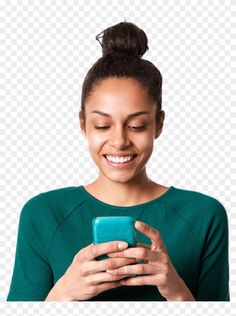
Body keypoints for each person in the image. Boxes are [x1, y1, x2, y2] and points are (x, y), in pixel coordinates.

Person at [6, 21, 230, 302]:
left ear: (158, 125)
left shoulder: (205, 215)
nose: (119, 141)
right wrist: (62, 295)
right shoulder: (41, 213)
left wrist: (178, 292)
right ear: (83, 124)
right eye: (102, 125)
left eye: (136, 126)